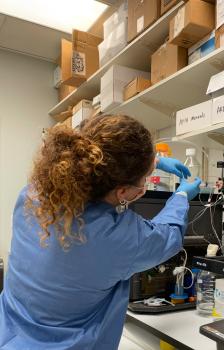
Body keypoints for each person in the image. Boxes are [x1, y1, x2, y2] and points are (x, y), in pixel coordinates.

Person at [0, 114, 201, 349]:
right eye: (143, 182)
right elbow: (168, 236)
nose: (144, 188)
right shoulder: (115, 236)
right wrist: (181, 196)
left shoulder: (33, 195)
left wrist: (154, 162)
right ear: (122, 192)